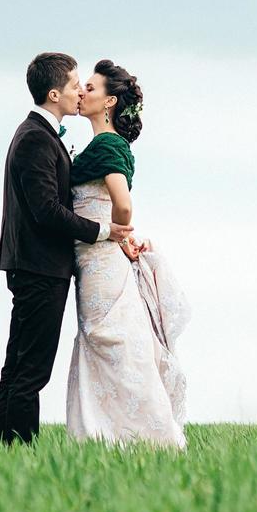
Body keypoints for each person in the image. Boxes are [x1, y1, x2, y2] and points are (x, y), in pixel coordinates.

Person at [0, 52, 134, 446]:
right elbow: (47, 212)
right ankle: (20, 451)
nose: (79, 92)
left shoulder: (38, 135)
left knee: (20, 366)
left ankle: (12, 451)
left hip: (37, 267)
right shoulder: (36, 138)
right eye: (75, 86)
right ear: (54, 93)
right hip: (40, 269)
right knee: (30, 371)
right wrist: (105, 231)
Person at [65, 59, 190, 449]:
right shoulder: (106, 145)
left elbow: (122, 204)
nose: (82, 92)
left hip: (101, 260)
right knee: (110, 344)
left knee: (107, 341)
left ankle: (131, 435)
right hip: (96, 259)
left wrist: (116, 235)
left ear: (110, 102)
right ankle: (118, 436)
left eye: (90, 87)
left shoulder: (107, 144)